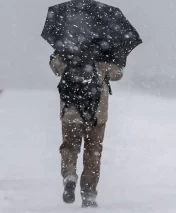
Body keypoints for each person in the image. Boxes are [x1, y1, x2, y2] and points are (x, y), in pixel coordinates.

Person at [50, 50, 124, 208]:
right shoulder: (105, 48)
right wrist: (116, 60)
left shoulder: (67, 44)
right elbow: (117, 74)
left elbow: (56, 68)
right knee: (93, 151)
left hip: (70, 110)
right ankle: (88, 192)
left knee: (69, 146)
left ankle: (69, 175)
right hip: (96, 112)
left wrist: (57, 56)